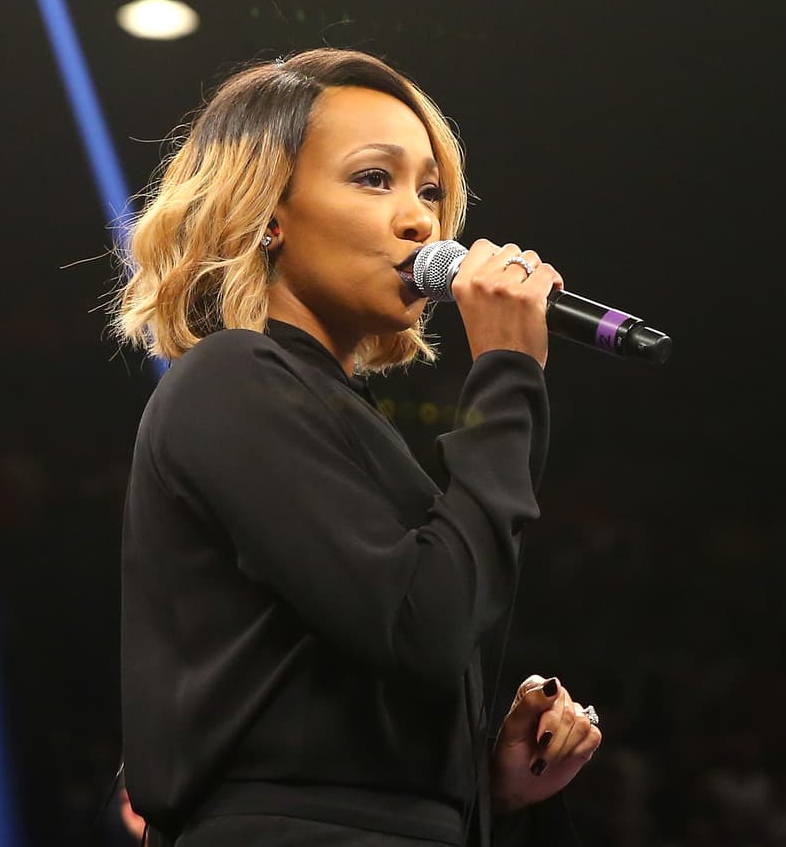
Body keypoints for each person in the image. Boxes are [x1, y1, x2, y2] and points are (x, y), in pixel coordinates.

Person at [112, 48, 602, 846]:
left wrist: (488, 783)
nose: (421, 220)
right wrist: (508, 376)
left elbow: (359, 685)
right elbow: (426, 629)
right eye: (375, 178)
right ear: (267, 207)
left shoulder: (346, 419)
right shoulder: (230, 379)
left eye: (432, 191)